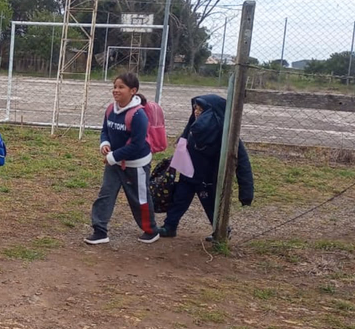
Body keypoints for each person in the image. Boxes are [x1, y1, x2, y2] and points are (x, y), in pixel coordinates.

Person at [158, 94, 254, 240]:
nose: (196, 111)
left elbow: (242, 162)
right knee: (179, 200)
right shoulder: (193, 127)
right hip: (188, 175)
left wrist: (246, 193)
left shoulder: (225, 133)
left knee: (211, 207)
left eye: (201, 109)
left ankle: (221, 231)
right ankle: (169, 227)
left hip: (207, 179)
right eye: (195, 108)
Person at [84, 72, 160, 245]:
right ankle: (100, 230)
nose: (116, 90)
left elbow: (137, 144)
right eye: (115, 86)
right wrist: (104, 143)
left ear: (133, 90)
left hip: (136, 164)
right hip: (114, 162)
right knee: (105, 194)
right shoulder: (111, 109)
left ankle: (151, 230)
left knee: (139, 198)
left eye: (121, 87)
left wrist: (113, 156)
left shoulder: (138, 115)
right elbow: (105, 129)